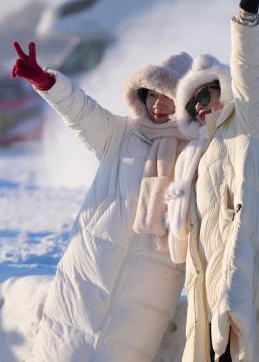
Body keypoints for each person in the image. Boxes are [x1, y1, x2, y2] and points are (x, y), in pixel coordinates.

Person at [10, 42, 192, 361]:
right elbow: (80, 112)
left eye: (168, 97)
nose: (158, 105)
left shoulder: (196, 154)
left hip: (148, 294)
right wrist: (46, 82)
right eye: (152, 94)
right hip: (87, 279)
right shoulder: (120, 134)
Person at [166, 0, 259, 362]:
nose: (201, 107)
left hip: (246, 284)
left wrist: (247, 13)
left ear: (223, 86)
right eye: (193, 105)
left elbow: (252, 73)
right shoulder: (201, 154)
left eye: (206, 94)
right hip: (211, 294)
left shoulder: (252, 120)